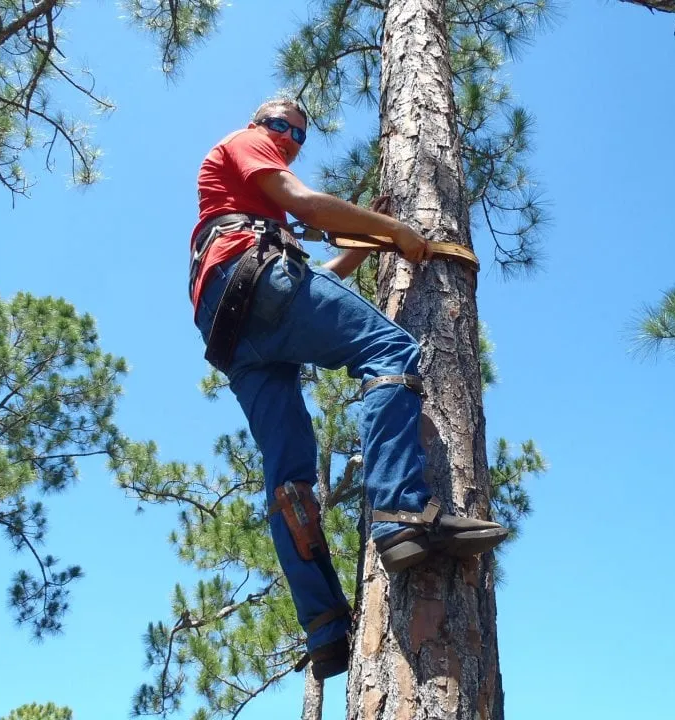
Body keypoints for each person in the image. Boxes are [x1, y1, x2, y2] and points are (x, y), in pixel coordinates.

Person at [189, 98, 508, 680]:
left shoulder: (241, 214)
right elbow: (304, 204)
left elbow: (315, 288)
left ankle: (325, 628)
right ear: (258, 123)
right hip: (257, 280)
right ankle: (401, 516)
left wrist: (361, 247)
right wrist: (397, 231)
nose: (287, 138)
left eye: (299, 135)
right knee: (390, 350)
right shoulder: (243, 143)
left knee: (289, 477)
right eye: (280, 125)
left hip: (234, 331)